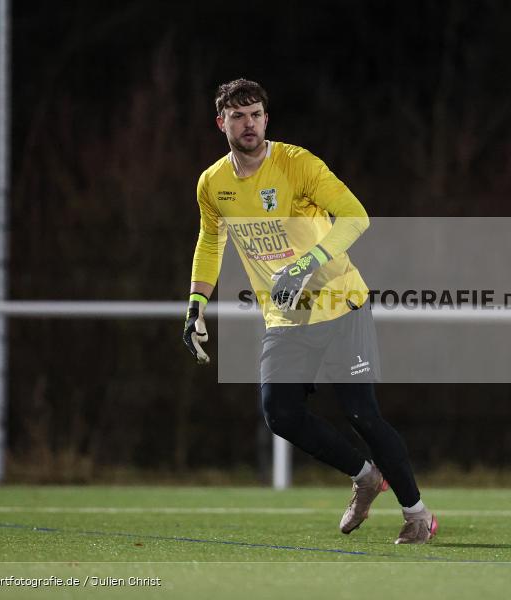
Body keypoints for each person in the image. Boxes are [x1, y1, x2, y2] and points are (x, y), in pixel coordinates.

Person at [182, 79, 437, 544]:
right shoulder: (212, 183)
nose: (249, 124)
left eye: (256, 114)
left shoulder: (298, 165)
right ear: (221, 123)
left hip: (341, 304)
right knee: (279, 413)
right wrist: (196, 302)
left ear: (266, 118)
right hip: (287, 318)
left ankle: (418, 514)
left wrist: (306, 263)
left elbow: (356, 216)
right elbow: (210, 239)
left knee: (362, 414)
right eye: (238, 116)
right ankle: (364, 477)